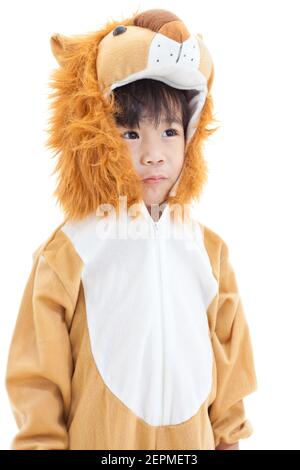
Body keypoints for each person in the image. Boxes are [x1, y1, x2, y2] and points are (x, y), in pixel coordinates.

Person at [5, 8, 257, 450]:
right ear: (97, 134)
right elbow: (38, 371)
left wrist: (229, 438)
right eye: (130, 134)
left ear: (190, 137)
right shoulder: (71, 247)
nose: (155, 154)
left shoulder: (208, 250)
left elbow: (231, 359)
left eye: (170, 130)